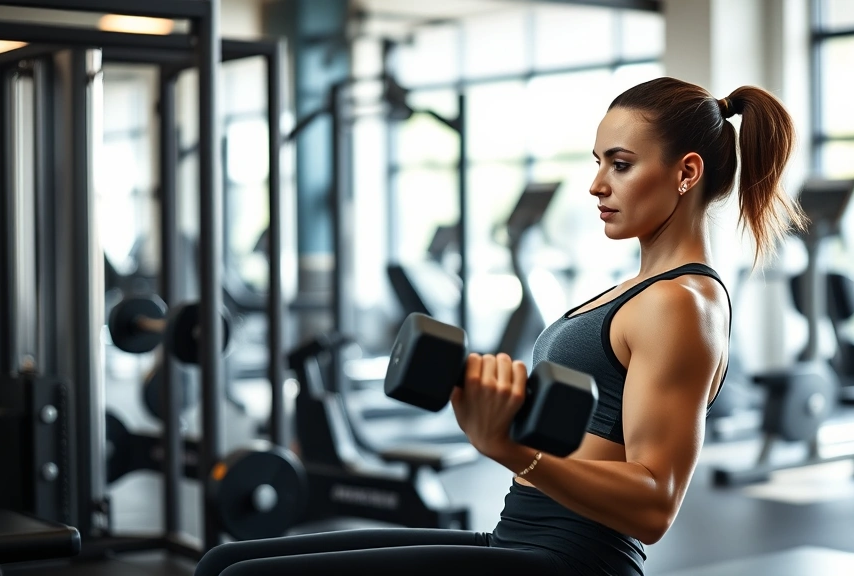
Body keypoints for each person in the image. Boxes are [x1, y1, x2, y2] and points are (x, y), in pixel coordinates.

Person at [195, 77, 806, 576]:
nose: (596, 184)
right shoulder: (633, 290)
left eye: (620, 165)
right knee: (224, 561)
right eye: (598, 163)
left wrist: (509, 449)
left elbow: (654, 504)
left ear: (687, 172)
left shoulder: (683, 303)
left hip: (570, 560)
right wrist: (493, 397)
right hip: (517, 536)